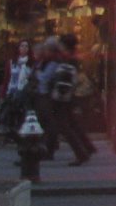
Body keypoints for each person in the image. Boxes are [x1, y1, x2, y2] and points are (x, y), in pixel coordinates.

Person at [38, 35, 95, 166]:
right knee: (70, 123)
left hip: (62, 97)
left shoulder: (67, 60)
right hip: (67, 96)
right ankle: (86, 148)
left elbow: (63, 80)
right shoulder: (69, 58)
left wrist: (57, 94)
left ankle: (81, 153)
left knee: (63, 126)